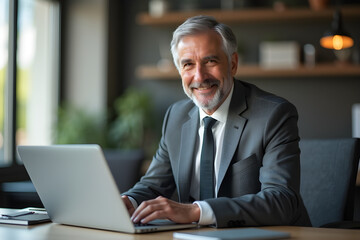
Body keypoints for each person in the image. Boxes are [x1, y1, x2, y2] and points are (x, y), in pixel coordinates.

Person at [122, 15, 311, 227]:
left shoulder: (274, 115)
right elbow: (154, 185)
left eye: (210, 61)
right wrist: (128, 201)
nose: (199, 76)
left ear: (233, 64)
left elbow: (282, 201)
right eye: (188, 64)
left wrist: (196, 211)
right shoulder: (175, 116)